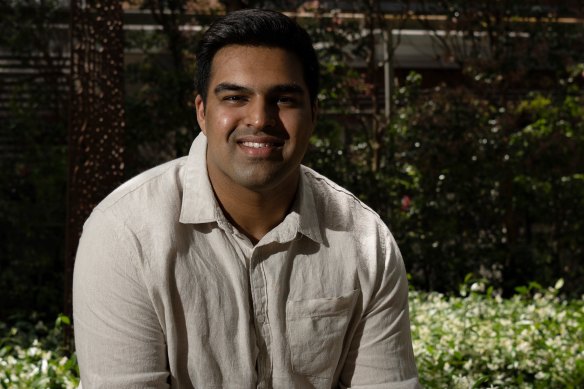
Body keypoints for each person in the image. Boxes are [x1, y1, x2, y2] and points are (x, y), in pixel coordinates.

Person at [73, 8, 421, 389]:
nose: (260, 118)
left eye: (284, 99)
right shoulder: (124, 234)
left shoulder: (366, 241)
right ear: (202, 112)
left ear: (314, 114)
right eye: (236, 97)